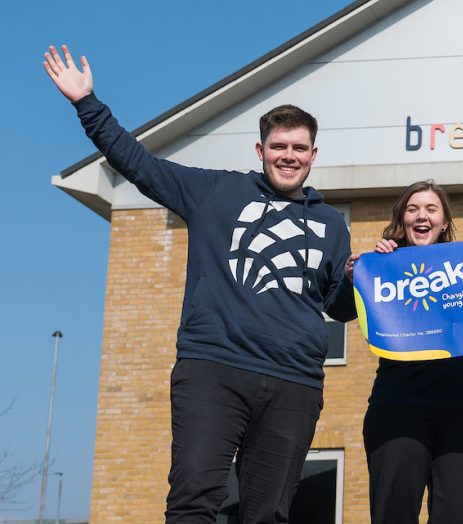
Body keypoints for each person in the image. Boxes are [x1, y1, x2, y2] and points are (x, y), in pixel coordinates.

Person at [43, 45, 355, 523]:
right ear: (261, 151)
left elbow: (338, 308)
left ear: (313, 155)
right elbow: (139, 165)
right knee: (194, 500)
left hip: (295, 381)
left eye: (298, 148)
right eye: (278, 147)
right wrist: (87, 103)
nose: (287, 157)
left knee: (269, 513)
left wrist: (356, 282)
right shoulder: (216, 192)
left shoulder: (332, 223)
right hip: (215, 369)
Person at [344, 180, 463, 524]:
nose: (421, 216)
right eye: (413, 209)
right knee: (393, 513)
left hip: (460, 410)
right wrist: (358, 276)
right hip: (397, 407)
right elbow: (347, 311)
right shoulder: (383, 267)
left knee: (462, 514)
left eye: (431, 209)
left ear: (445, 222)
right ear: (402, 220)